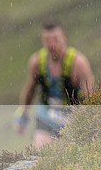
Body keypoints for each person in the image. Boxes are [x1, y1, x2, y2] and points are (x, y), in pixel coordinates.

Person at [15, 20, 94, 149]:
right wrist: (22, 115)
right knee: (39, 149)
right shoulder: (37, 62)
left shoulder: (78, 63)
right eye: (47, 40)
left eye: (56, 39)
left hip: (72, 119)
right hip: (46, 118)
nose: (51, 44)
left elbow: (90, 96)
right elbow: (29, 91)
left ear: (65, 38)